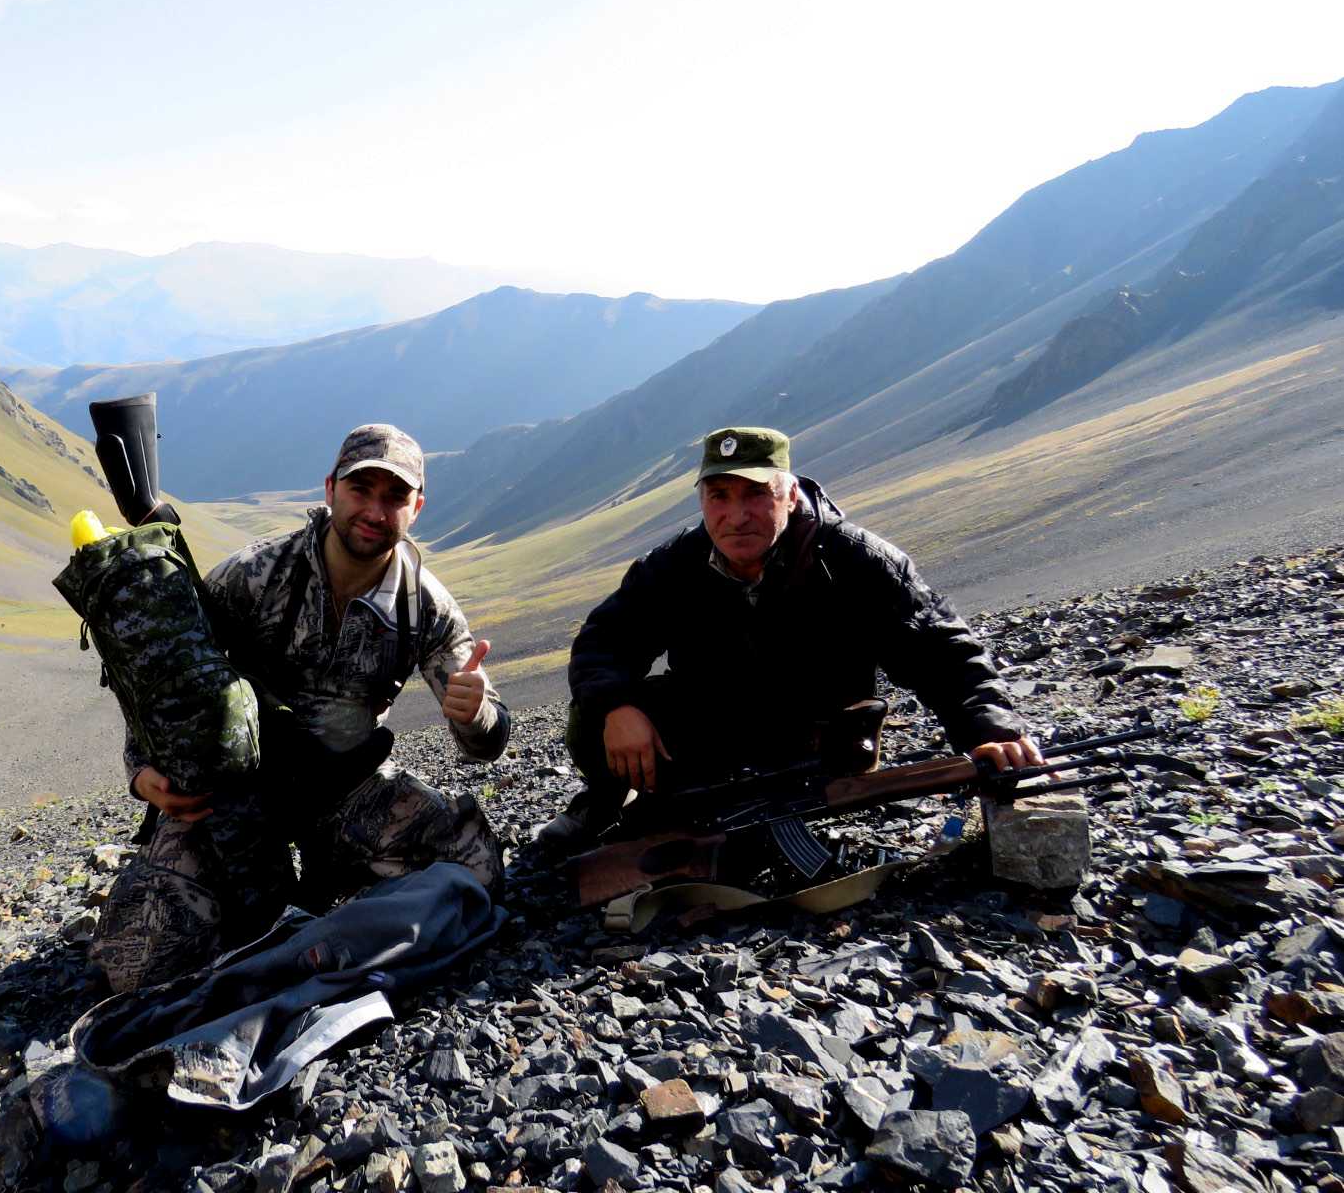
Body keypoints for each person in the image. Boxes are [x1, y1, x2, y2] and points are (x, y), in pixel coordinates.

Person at [92, 424, 511, 993]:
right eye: (361, 489)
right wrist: (141, 773)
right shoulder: (254, 575)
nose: (374, 509)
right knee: (137, 966)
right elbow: (162, 679)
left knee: (478, 866)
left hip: (345, 789)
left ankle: (322, 901)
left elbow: (486, 741)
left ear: (417, 507)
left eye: (393, 497)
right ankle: (282, 910)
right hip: (233, 794)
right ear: (331, 488)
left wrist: (475, 714)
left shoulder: (425, 606)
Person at [536, 425, 1042, 850]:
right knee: (594, 716)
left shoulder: (855, 559)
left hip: (820, 744)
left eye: (757, 493)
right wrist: (618, 709)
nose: (736, 516)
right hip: (718, 733)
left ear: (791, 493)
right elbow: (603, 641)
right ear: (702, 501)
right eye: (720, 496)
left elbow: (942, 653)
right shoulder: (671, 566)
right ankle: (607, 800)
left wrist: (992, 733)